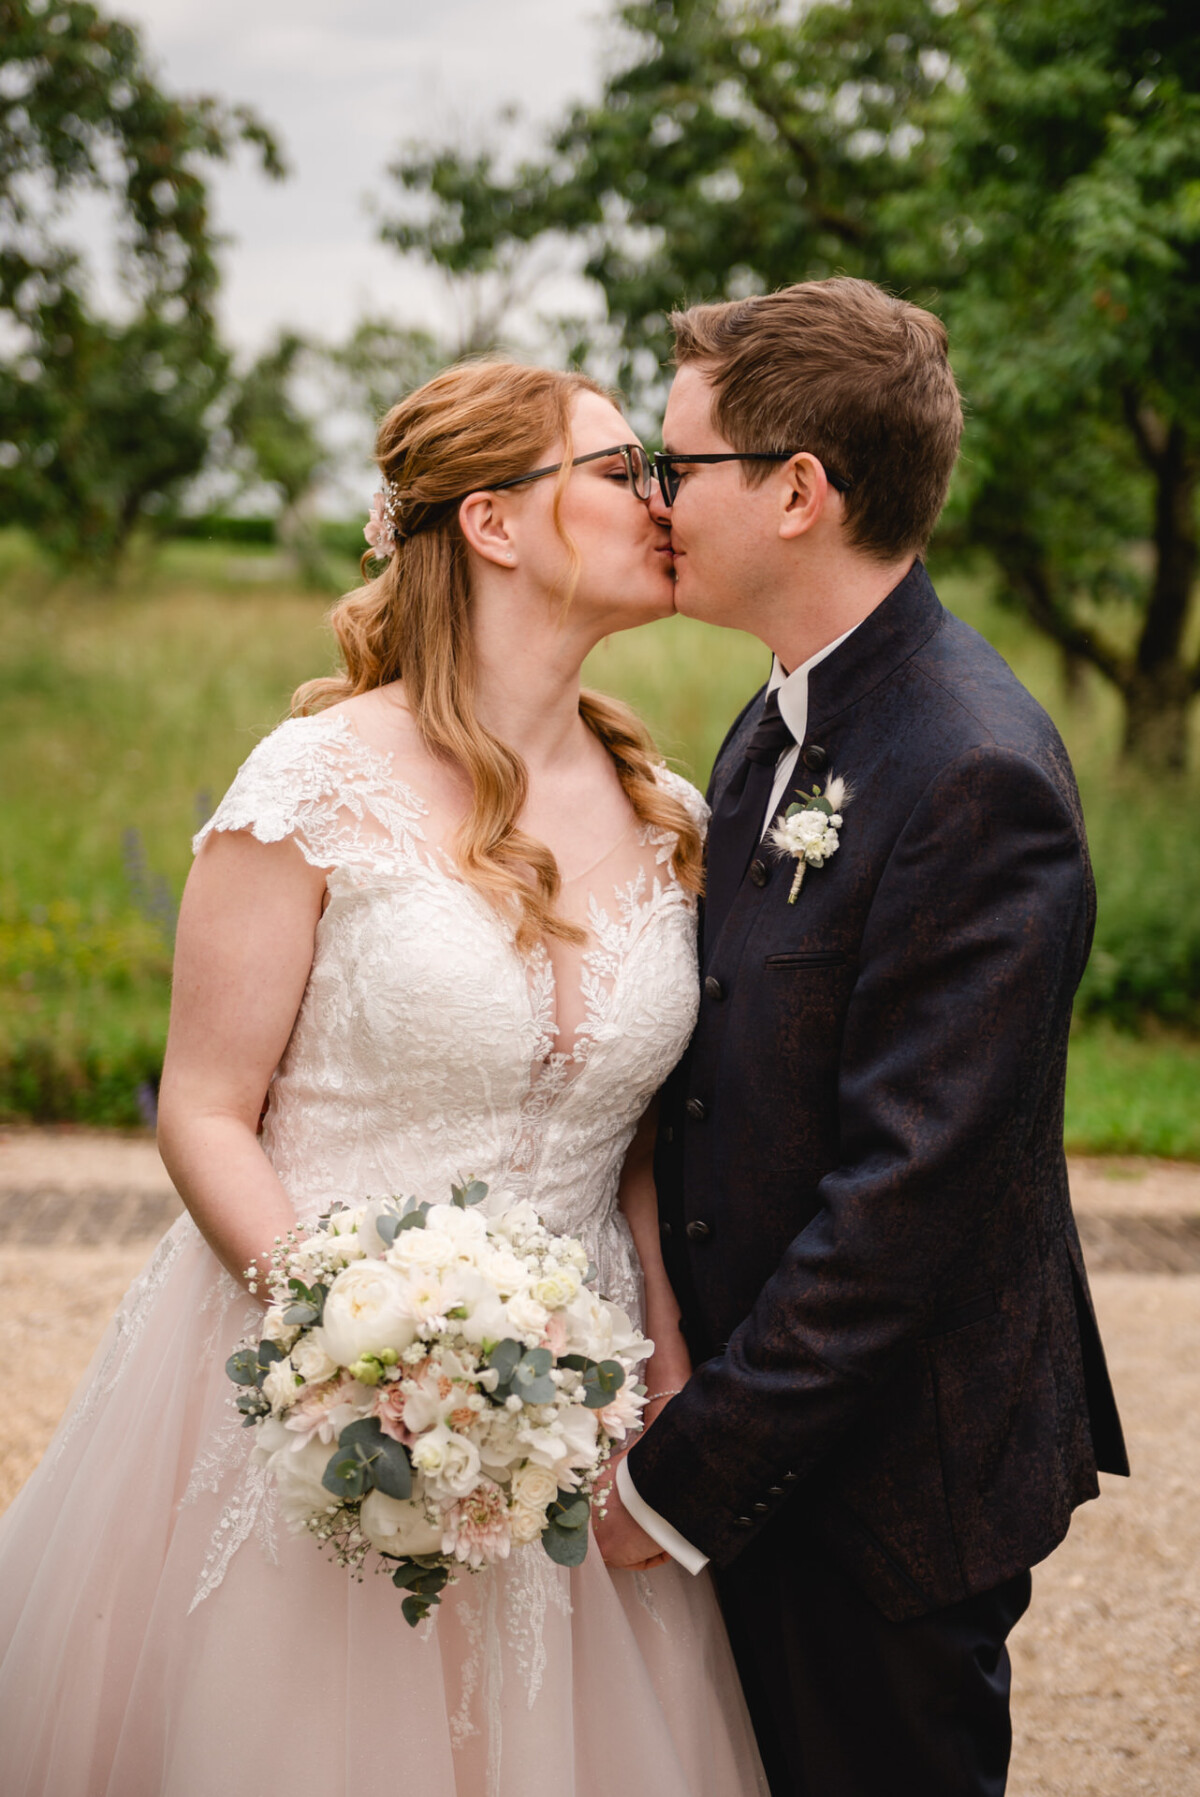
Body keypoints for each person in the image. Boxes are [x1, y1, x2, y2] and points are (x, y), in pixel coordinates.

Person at [0, 361, 767, 1797]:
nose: (660, 497)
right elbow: (205, 1110)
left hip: (577, 1403)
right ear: (491, 522)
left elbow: (647, 1138)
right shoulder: (311, 785)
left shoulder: (673, 814)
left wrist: (664, 1342)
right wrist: (358, 1354)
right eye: (617, 469)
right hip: (316, 1371)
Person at [595, 278, 1129, 1797]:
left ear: (801, 491)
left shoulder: (975, 771)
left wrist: (687, 1469)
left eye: (678, 463)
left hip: (883, 1492)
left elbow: (909, 1201)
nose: (653, 493)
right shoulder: (780, 716)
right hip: (771, 1446)